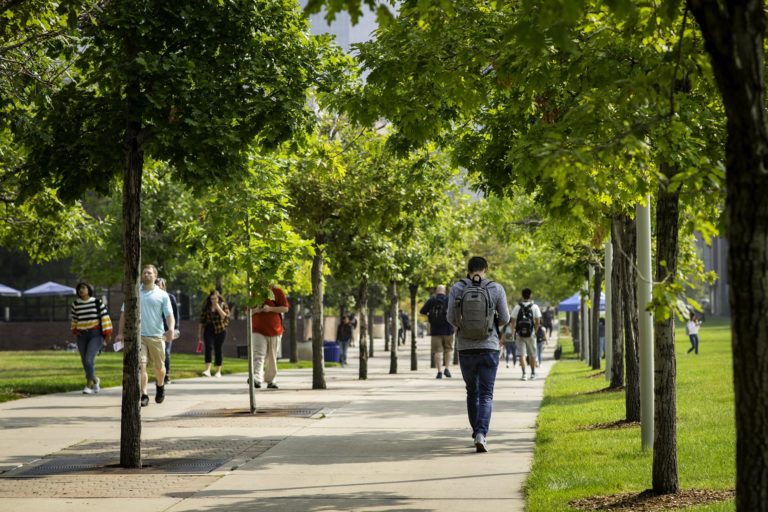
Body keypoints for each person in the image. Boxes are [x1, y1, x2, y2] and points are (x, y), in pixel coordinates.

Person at [447, 256, 510, 453]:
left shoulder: (457, 288)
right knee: (486, 393)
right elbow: (506, 318)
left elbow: (451, 318)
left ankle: (476, 433)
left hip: (465, 348)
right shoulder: (496, 288)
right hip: (489, 346)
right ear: (486, 269)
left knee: (471, 392)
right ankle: (482, 433)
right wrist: (488, 326)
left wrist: (466, 328)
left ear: (468, 269)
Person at [115, 265, 174, 407]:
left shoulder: (162, 295)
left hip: (157, 336)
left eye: (149, 273)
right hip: (139, 336)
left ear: (155, 275)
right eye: (144, 273)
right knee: (141, 366)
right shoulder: (134, 293)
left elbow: (169, 315)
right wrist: (120, 333)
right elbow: (124, 314)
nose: (146, 275)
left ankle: (160, 387)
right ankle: (144, 394)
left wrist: (171, 329)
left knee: (160, 369)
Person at [71, 281, 113, 394]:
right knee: (85, 361)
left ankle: (88, 385)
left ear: (89, 289)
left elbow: (105, 318)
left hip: (95, 335)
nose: (81, 290)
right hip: (81, 336)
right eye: (79, 288)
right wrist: (75, 330)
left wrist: (107, 335)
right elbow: (74, 319)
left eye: (83, 287)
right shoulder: (76, 303)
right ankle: (95, 380)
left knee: (89, 359)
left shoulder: (97, 302)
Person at [251, 283, 290, 389]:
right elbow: (247, 310)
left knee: (271, 357)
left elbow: (285, 308)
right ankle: (256, 378)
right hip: (257, 329)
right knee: (258, 354)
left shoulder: (277, 291)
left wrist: (270, 309)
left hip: (275, 330)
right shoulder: (254, 292)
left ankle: (271, 380)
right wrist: (256, 310)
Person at [419, 285, 455, 379]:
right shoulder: (449, 300)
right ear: (445, 291)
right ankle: (447, 368)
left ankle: (439, 372)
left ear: (436, 291)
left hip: (435, 331)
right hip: (448, 330)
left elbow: (422, 311)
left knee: (437, 351)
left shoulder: (431, 300)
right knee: (448, 350)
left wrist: (430, 315)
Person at [510, 288, 542, 381]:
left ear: (522, 295)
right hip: (531, 333)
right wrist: (535, 331)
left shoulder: (517, 307)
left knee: (522, 354)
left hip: (520, 334)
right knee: (532, 354)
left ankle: (524, 374)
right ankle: (532, 373)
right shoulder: (534, 307)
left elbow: (513, 321)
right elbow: (538, 321)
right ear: (530, 295)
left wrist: (513, 332)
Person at [197, 290, 230, 377]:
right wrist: (199, 333)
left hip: (220, 330)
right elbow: (201, 321)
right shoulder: (207, 307)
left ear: (218, 298)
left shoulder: (223, 305)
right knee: (208, 347)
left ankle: (218, 371)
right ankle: (207, 370)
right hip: (209, 329)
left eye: (215, 298)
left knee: (218, 349)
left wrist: (217, 307)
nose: (213, 300)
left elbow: (224, 316)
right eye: (212, 299)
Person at [155, 277, 180, 384]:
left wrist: (175, 329)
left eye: (159, 286)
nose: (157, 288)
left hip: (168, 329)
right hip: (155, 329)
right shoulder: (151, 298)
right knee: (157, 353)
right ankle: (160, 374)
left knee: (166, 352)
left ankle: (166, 375)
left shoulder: (170, 298)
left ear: (164, 287)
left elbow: (175, 314)